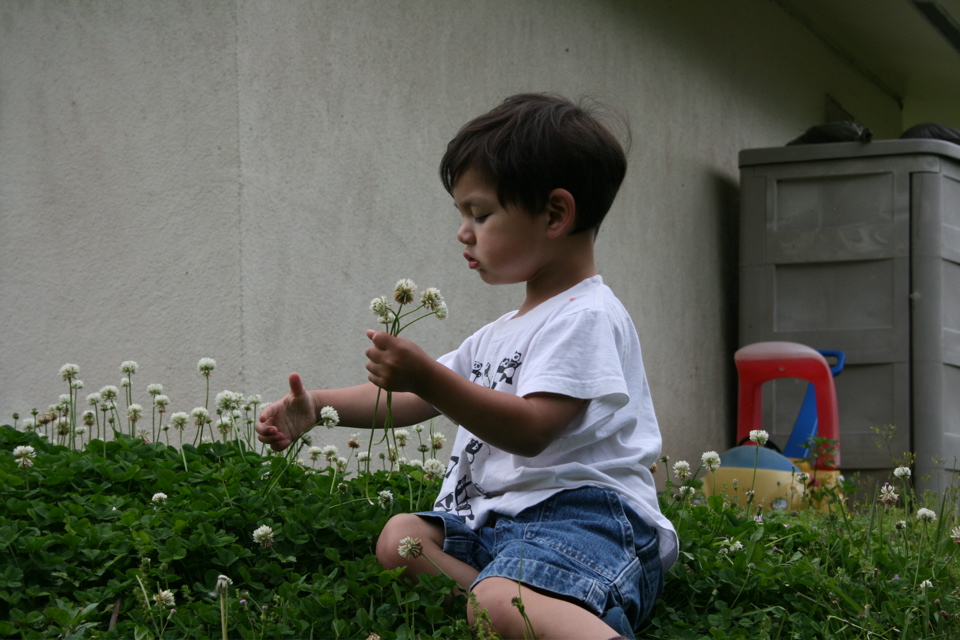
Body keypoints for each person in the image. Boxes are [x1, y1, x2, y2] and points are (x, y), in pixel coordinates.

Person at [256, 93, 678, 640]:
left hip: (585, 522)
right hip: (494, 523)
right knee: (400, 539)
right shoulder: (498, 334)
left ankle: (533, 610)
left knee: (497, 603)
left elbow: (532, 429)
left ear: (555, 214)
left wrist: (429, 374)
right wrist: (318, 407)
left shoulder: (587, 316)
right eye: (462, 214)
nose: (464, 231)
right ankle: (510, 605)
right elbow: (411, 400)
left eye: (480, 214)